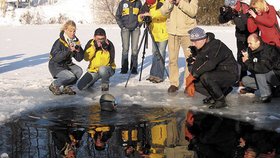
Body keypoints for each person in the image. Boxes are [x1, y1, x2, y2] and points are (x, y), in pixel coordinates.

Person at [186, 27, 239, 109]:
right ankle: (219, 93)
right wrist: (191, 73)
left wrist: (193, 75)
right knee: (195, 83)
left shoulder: (216, 45)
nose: (193, 44)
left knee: (206, 77)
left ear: (203, 39)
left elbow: (210, 64)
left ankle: (220, 100)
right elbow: (198, 64)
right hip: (217, 73)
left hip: (230, 73)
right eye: (192, 41)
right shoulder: (201, 47)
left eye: (195, 41)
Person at [219, 0, 251, 85]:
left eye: (231, 6)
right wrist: (223, 14)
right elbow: (222, 21)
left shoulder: (245, 8)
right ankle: (241, 78)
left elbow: (243, 26)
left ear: (235, 3)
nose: (231, 8)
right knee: (240, 57)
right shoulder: (232, 10)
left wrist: (234, 16)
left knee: (249, 57)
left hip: (250, 36)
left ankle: (251, 80)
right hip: (240, 37)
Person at [241, 33, 280, 103]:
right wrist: (246, 60)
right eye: (248, 43)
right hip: (266, 75)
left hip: (276, 75)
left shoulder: (267, 50)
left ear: (258, 42)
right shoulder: (251, 51)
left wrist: (247, 62)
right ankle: (271, 89)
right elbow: (252, 69)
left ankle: (266, 96)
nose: (248, 45)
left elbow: (262, 68)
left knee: (259, 71)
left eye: (250, 43)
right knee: (245, 80)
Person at [48, 20, 84, 95]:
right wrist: (69, 50)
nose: (72, 33)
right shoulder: (59, 42)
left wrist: (78, 50)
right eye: (70, 31)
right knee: (70, 76)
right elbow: (56, 58)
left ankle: (67, 87)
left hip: (67, 64)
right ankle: (54, 85)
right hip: (56, 65)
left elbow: (79, 59)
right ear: (65, 30)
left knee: (79, 71)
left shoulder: (74, 41)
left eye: (74, 31)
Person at [138, 0, 168, 83]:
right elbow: (140, 16)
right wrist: (142, 17)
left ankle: (159, 75)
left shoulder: (161, 3)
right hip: (153, 33)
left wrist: (150, 15)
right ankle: (153, 74)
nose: (148, 3)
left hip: (163, 33)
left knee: (161, 54)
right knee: (154, 53)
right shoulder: (146, 5)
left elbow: (164, 15)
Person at [115, 0, 142, 74]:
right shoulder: (122, 3)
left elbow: (141, 15)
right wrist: (122, 26)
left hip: (135, 29)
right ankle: (124, 68)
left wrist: (139, 25)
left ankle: (134, 68)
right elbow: (117, 16)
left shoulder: (138, 2)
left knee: (134, 50)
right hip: (125, 29)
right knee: (125, 49)